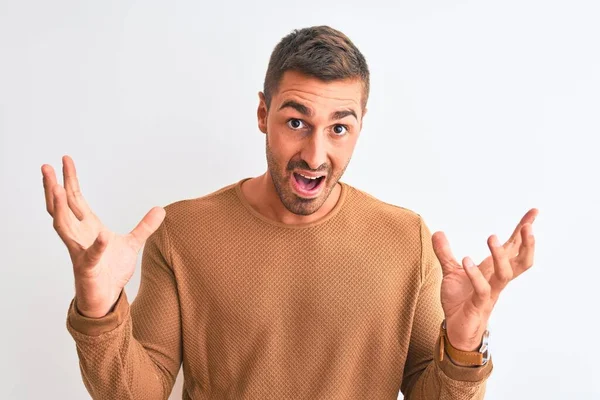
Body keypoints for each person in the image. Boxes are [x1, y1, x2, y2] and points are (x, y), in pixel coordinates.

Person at [42, 25, 537, 399]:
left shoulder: (405, 238)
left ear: (361, 125)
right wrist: (100, 310)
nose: (315, 154)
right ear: (263, 113)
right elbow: (138, 392)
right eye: (297, 121)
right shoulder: (183, 233)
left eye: (339, 128)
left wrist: (466, 340)